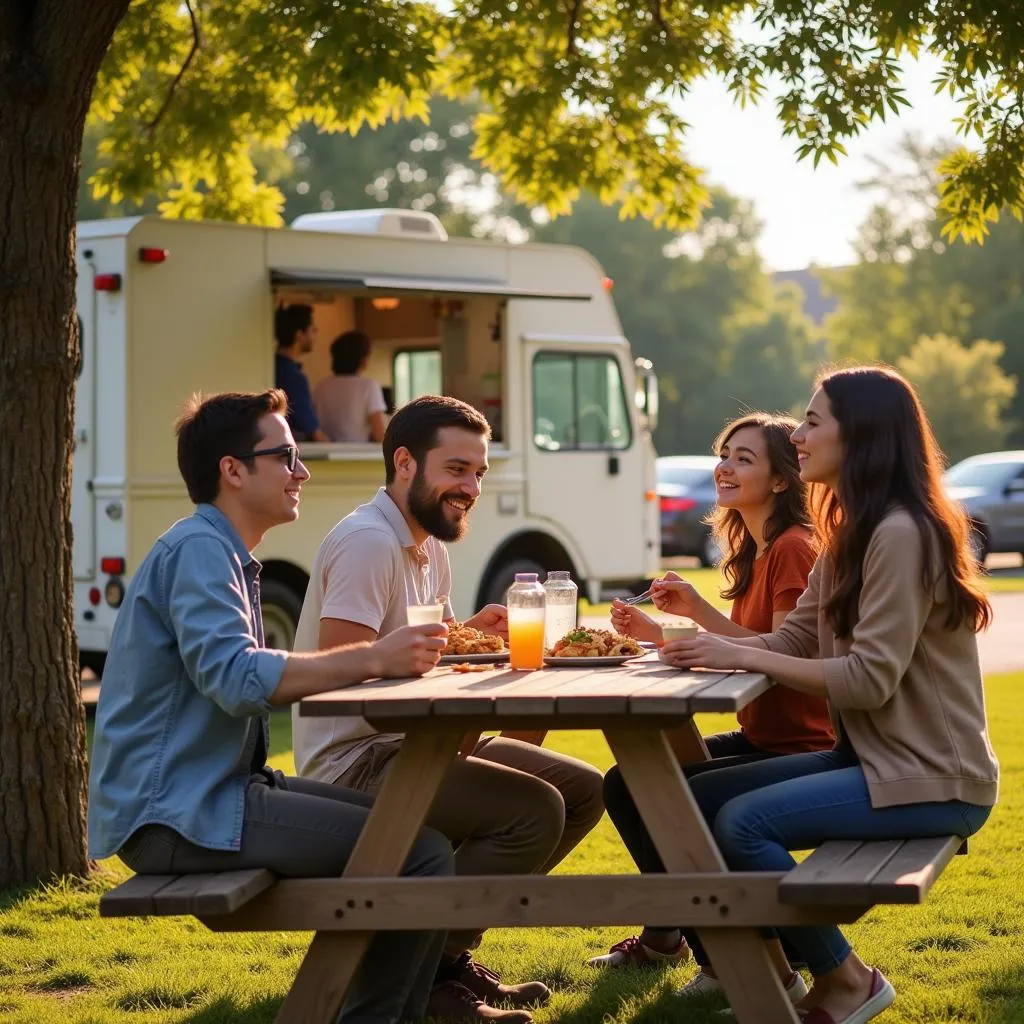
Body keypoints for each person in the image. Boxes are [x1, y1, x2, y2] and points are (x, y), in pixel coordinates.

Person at [87, 389, 455, 1024]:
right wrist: (373, 657)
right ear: (233, 470)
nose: (302, 472)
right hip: (175, 814)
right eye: (285, 456)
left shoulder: (223, 552)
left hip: (211, 793)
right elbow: (233, 677)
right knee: (418, 854)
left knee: (423, 845)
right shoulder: (199, 551)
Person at [658, 367, 999, 1024]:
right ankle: (765, 974)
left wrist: (733, 651)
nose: (801, 437)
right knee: (690, 798)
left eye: (813, 423)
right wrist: (708, 639)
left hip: (932, 777)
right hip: (873, 759)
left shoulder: (901, 533)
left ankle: (845, 978)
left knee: (743, 822)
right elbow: (791, 642)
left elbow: (871, 679)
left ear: (861, 434)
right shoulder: (850, 534)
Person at [292, 394, 605, 1023]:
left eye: (479, 473)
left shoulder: (427, 543)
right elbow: (340, 673)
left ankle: (441, 959)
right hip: (356, 761)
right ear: (405, 463)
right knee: (533, 811)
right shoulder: (368, 543)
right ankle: (429, 978)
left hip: (417, 741)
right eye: (457, 469)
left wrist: (476, 636)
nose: (471, 487)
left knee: (582, 789)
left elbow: (425, 647)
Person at [591, 413, 834, 981]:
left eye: (744, 458)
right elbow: (749, 641)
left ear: (780, 479)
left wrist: (698, 619)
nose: (725, 466)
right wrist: (662, 632)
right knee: (629, 784)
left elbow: (785, 652)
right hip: (764, 734)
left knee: (667, 795)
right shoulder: (757, 548)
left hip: (800, 743)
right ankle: (667, 936)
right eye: (725, 454)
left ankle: (729, 958)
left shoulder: (794, 548)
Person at [314, 329, 388, 442]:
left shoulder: (320, 387)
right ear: (363, 359)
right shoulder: (369, 386)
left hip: (326, 454)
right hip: (356, 454)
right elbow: (379, 434)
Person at [274, 303, 329, 441]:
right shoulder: (293, 377)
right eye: (312, 330)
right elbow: (310, 428)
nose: (315, 334)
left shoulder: (273, 367)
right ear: (299, 335)